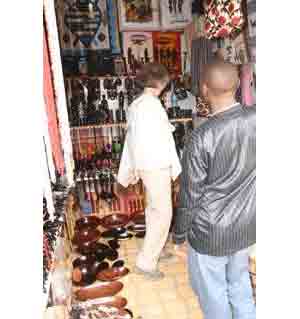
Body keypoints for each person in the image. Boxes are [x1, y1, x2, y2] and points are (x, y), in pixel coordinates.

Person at [173, 61, 256, 319]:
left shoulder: (201, 136)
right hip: (246, 225)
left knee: (213, 295)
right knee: (240, 287)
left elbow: (191, 196)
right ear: (238, 85)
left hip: (210, 233)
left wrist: (179, 235)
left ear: (204, 89)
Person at [118, 63, 181, 280]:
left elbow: (131, 140)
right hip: (157, 165)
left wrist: (128, 171)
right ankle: (146, 262)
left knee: (154, 210)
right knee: (163, 213)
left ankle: (158, 248)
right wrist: (176, 170)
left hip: (146, 166)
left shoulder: (136, 105)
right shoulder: (153, 106)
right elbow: (166, 140)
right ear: (161, 83)